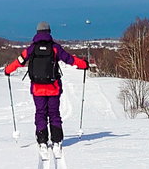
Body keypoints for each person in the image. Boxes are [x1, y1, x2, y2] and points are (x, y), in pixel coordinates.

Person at [5, 21, 90, 158]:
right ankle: (56, 141)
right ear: (49, 32)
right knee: (54, 113)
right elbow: (69, 59)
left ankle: (42, 141)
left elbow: (19, 61)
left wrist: (8, 70)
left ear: (37, 33)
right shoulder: (55, 48)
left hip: (37, 88)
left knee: (40, 113)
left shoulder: (31, 49)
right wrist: (84, 64)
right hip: (53, 88)